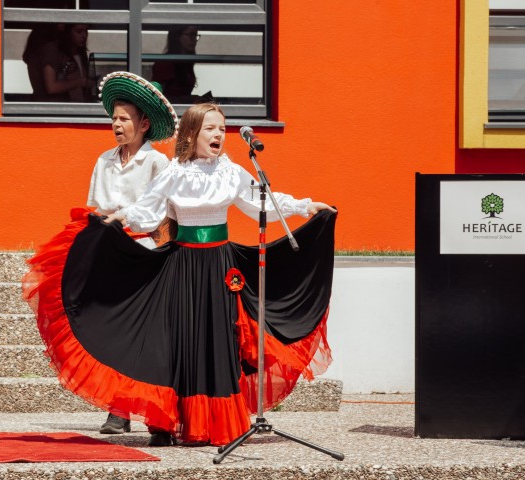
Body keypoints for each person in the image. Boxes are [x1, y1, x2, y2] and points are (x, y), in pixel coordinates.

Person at [23, 101, 338, 447]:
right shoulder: (173, 172)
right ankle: (181, 422)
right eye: (210, 128)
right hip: (183, 265)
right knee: (183, 341)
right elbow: (147, 212)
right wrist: (119, 219)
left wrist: (304, 206)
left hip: (220, 263)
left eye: (222, 128)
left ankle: (220, 424)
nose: (219, 134)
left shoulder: (231, 171)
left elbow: (261, 201)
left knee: (218, 340)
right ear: (192, 133)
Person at [86, 72, 177, 433]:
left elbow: (163, 215)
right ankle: (118, 409)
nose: (116, 125)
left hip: (143, 251)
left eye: (124, 119)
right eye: (114, 118)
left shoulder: (158, 164)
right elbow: (94, 209)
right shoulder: (104, 160)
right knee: (116, 332)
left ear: (144, 124)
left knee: (148, 333)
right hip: (109, 250)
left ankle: (157, 414)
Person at [37, 23, 96, 102]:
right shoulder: (54, 52)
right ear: (68, 33)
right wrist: (81, 82)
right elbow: (52, 87)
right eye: (79, 31)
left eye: (86, 31)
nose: (84, 36)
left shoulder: (81, 55)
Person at [151, 26, 208, 104]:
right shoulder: (165, 63)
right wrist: (189, 100)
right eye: (191, 35)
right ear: (177, 37)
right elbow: (158, 96)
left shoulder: (186, 62)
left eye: (195, 35)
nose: (194, 39)